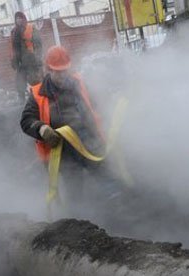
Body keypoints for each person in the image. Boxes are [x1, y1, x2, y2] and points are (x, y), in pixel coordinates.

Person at [20, 46, 119, 208]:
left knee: (108, 181)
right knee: (74, 191)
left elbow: (95, 106)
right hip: (63, 150)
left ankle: (118, 209)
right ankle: (78, 221)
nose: (61, 75)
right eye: (57, 71)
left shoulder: (80, 84)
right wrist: (42, 129)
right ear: (48, 70)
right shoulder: (38, 94)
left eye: (64, 70)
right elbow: (26, 120)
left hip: (88, 141)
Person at [10, 11, 42, 103]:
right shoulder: (14, 31)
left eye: (20, 18)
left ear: (24, 19)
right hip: (20, 63)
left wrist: (38, 57)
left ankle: (39, 98)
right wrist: (13, 60)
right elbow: (13, 47)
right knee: (20, 82)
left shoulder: (31, 28)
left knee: (34, 81)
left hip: (31, 60)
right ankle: (22, 101)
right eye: (17, 18)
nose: (18, 20)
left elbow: (38, 44)